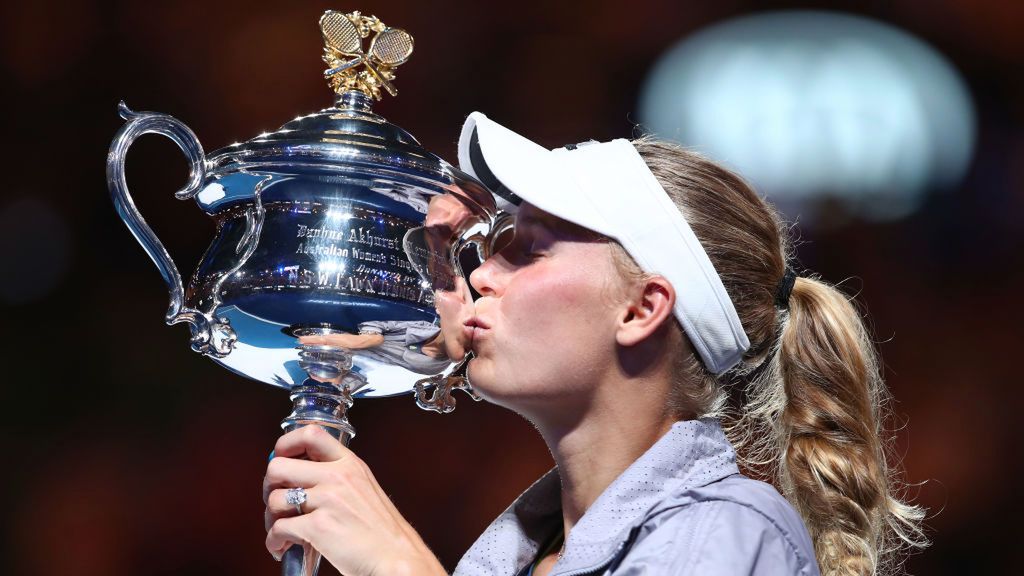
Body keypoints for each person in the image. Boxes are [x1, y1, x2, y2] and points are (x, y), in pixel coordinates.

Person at [261, 113, 928, 576]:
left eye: (526, 251)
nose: (483, 275)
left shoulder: (727, 531)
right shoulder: (524, 554)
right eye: (490, 251)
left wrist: (399, 564)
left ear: (641, 309)